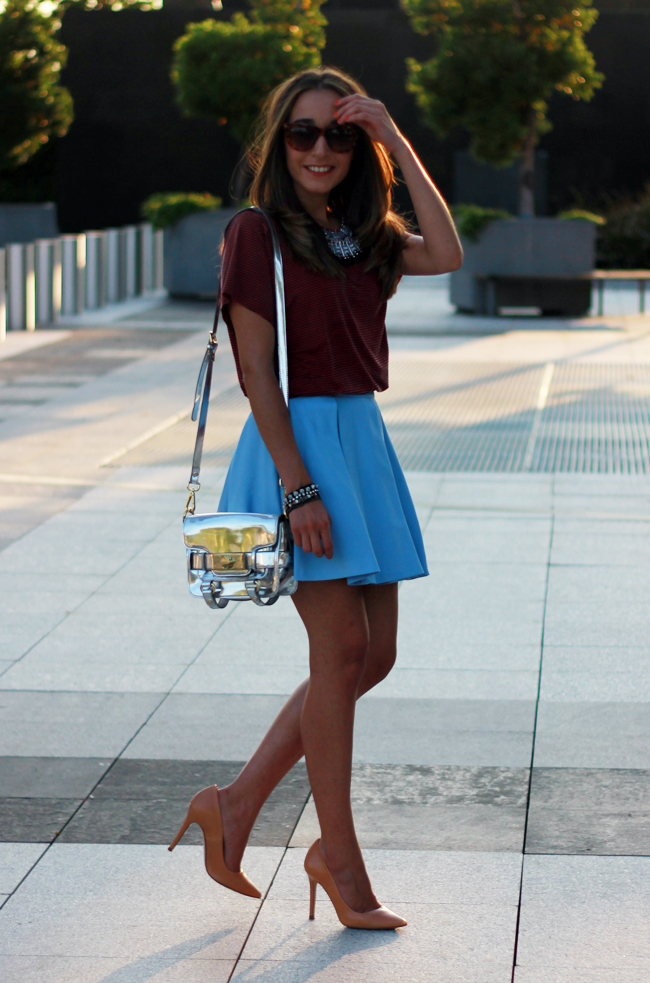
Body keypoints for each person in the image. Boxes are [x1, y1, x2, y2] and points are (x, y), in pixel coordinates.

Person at [169, 66, 462, 929]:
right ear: (280, 143)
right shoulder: (255, 232)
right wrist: (298, 486)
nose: (321, 149)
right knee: (340, 651)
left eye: (340, 134)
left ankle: (235, 803)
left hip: (361, 440)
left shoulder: (361, 233)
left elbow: (446, 253)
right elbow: (258, 374)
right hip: (299, 447)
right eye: (303, 133)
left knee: (374, 655)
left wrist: (395, 137)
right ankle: (339, 857)